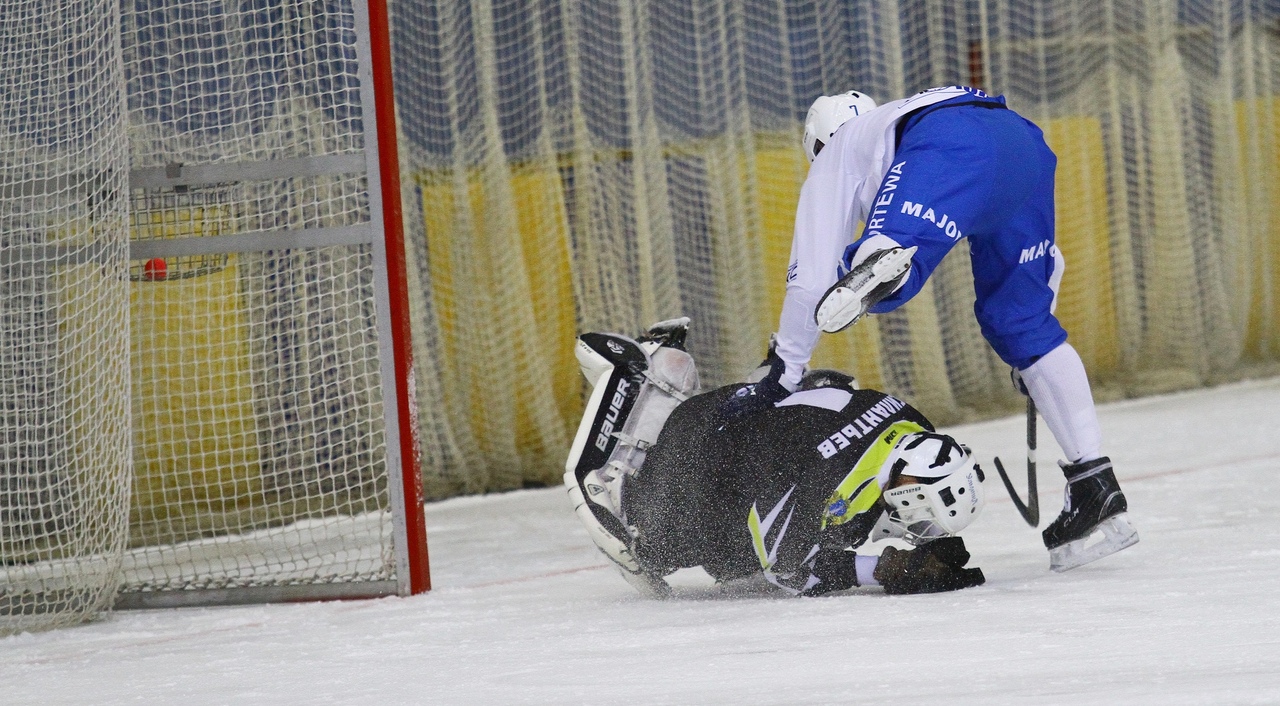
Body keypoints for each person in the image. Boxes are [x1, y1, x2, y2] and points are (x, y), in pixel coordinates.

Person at [723, 85, 1138, 572]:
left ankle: (881, 256)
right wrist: (1033, 349)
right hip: (1023, 142)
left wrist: (786, 367)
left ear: (817, 141)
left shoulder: (838, 150)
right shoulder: (892, 126)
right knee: (1022, 324)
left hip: (950, 140)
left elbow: (810, 279)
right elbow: (1054, 263)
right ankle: (1094, 486)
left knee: (875, 259)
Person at [564, 319, 986, 598]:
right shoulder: (829, 476)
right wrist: (887, 568)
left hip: (752, 409)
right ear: (910, 491)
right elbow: (789, 570)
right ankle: (633, 397)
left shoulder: (914, 423)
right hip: (703, 435)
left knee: (825, 411)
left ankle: (739, 374)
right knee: (661, 555)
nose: (919, 530)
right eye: (924, 518)